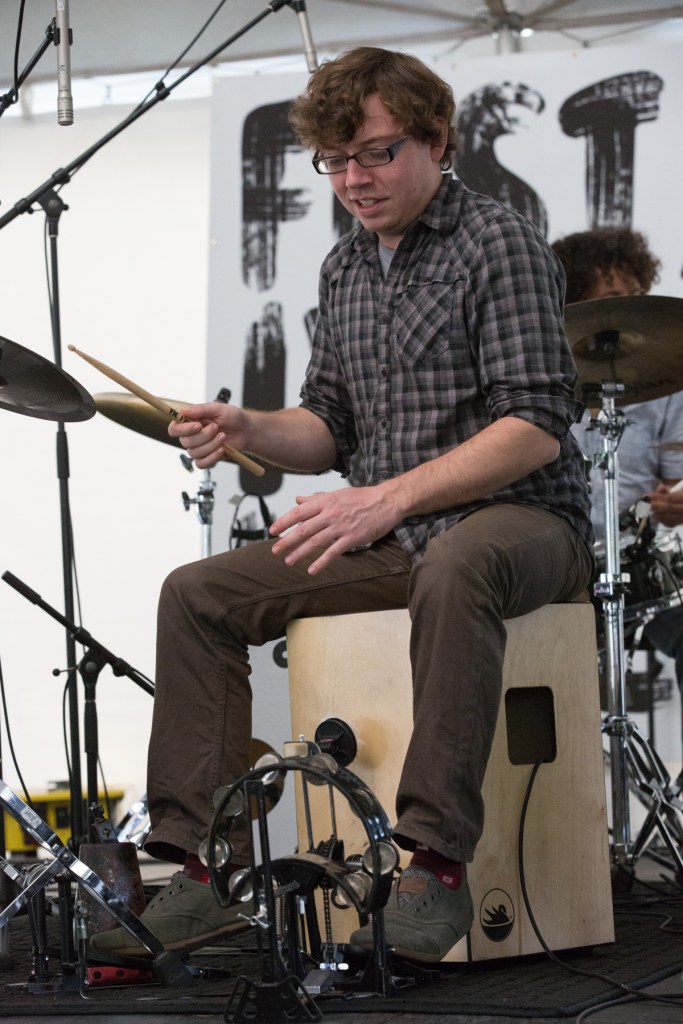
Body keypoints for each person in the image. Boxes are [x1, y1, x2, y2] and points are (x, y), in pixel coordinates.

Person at [92, 47, 593, 965]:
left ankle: (433, 865)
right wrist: (247, 424)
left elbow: (534, 427)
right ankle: (202, 867)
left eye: (375, 153)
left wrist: (383, 500)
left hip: (525, 524)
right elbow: (327, 427)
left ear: (436, 139)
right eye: (334, 161)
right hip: (400, 534)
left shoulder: (499, 242)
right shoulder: (345, 268)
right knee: (197, 594)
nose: (353, 179)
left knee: (457, 562)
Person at [552, 228, 683, 744]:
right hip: (556, 566)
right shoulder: (536, 384)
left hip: (639, 562)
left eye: (635, 295)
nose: (629, 310)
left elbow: (675, 477)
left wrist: (674, 503)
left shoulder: (665, 386)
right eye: (613, 297)